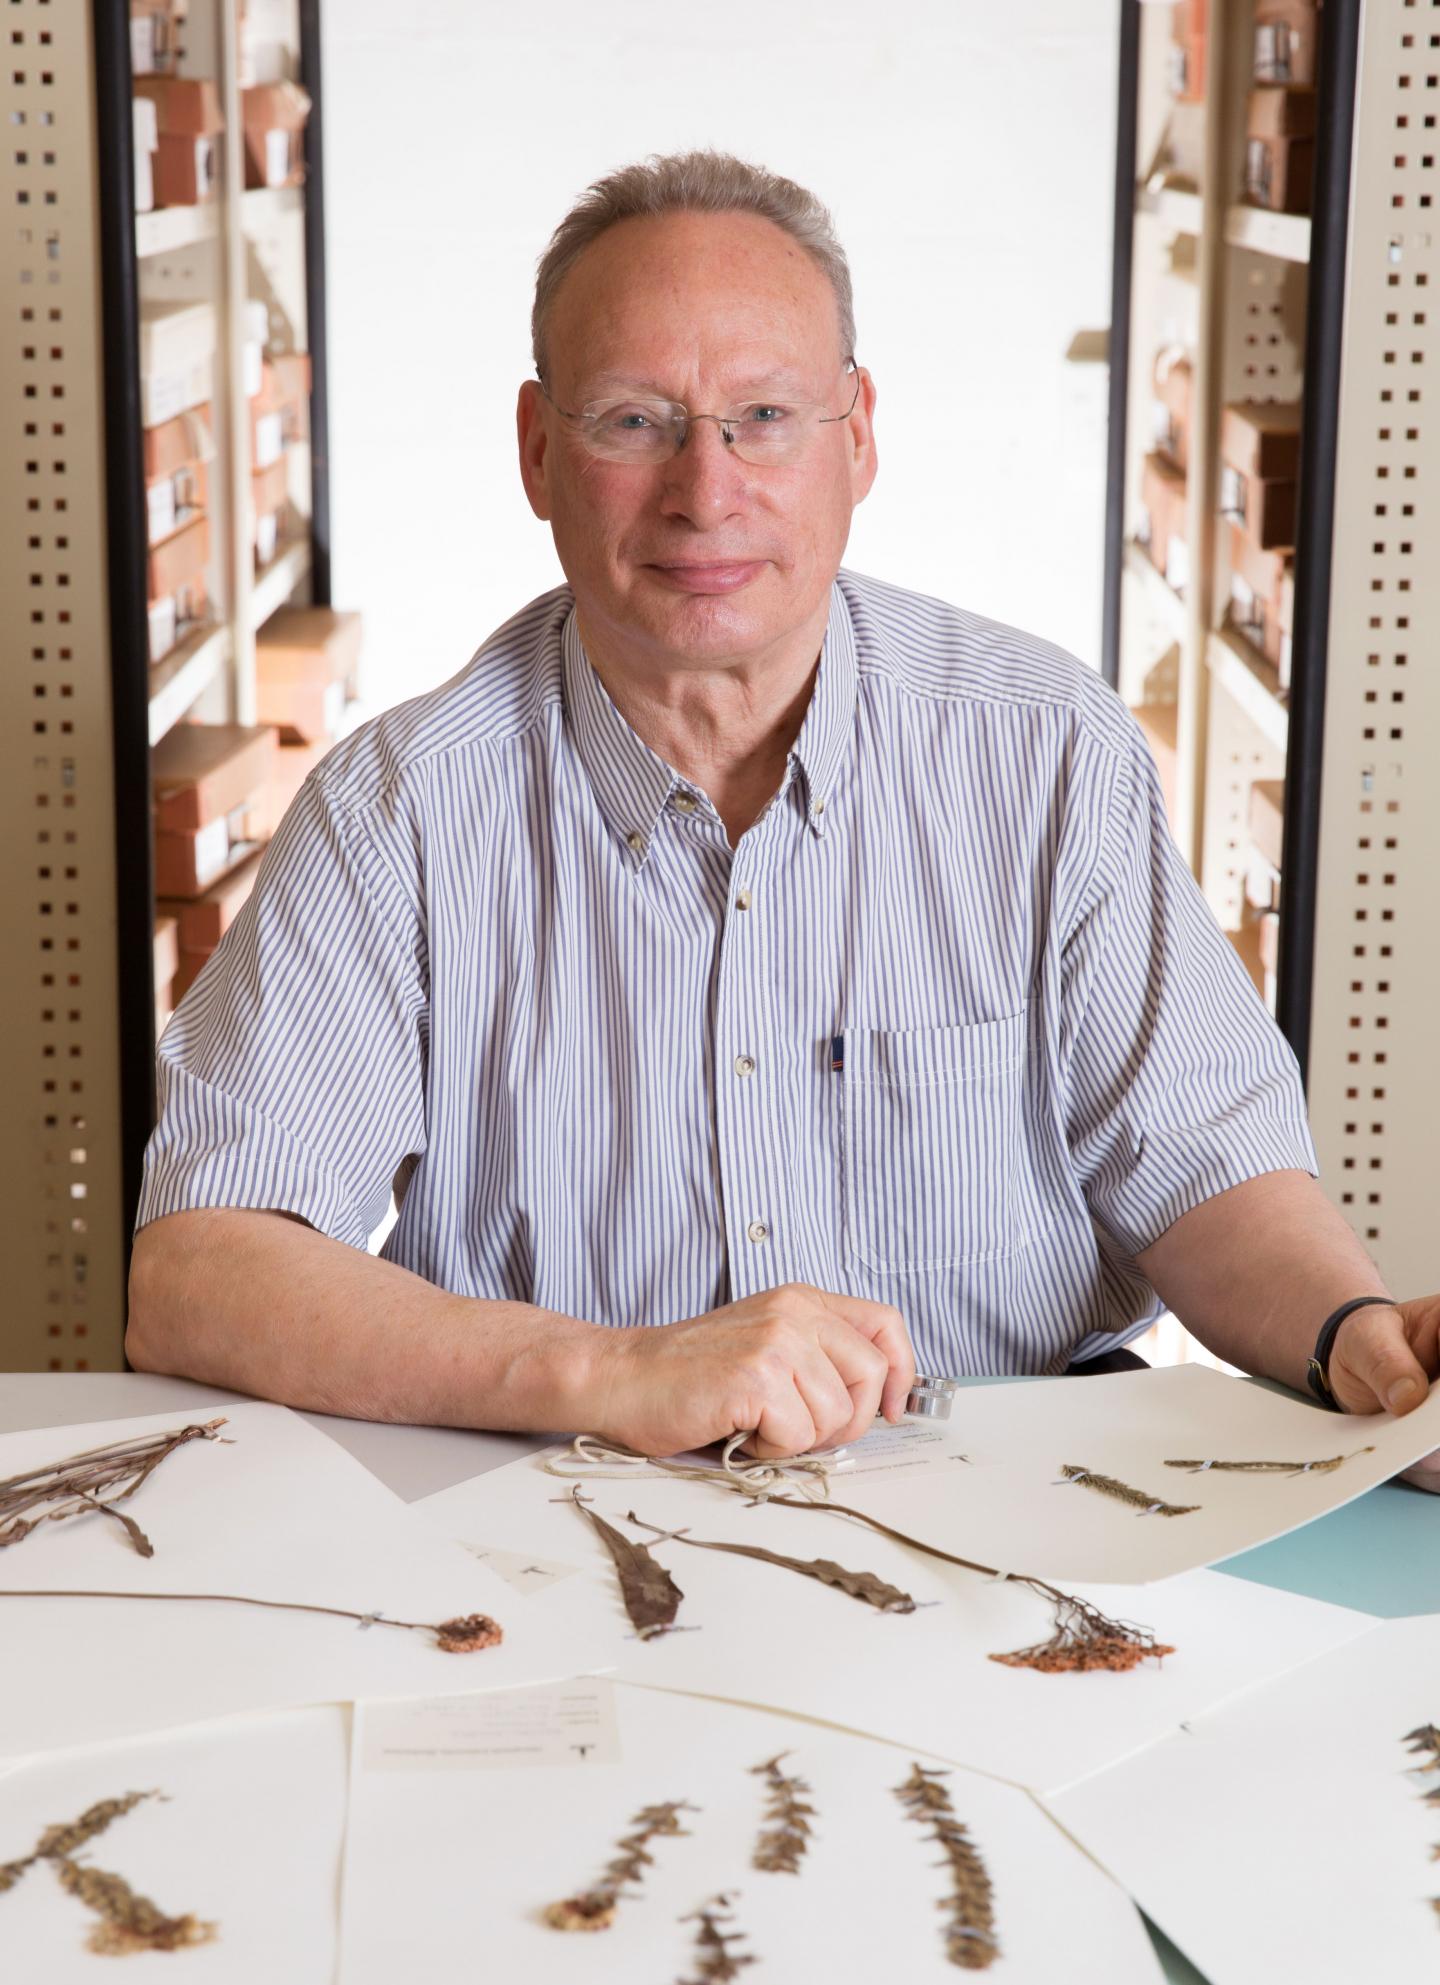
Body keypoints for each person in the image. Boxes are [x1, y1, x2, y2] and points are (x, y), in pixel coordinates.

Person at [127, 152, 1438, 1486]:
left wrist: (1357, 1336)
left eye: (763, 415)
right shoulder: (400, 811)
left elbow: (1210, 1169)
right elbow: (196, 1272)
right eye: (634, 421)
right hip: (568, 1512)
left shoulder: (1044, 750)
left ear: (857, 437)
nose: (707, 492)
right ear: (538, 450)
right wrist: (611, 1368)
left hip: (1014, 1512)